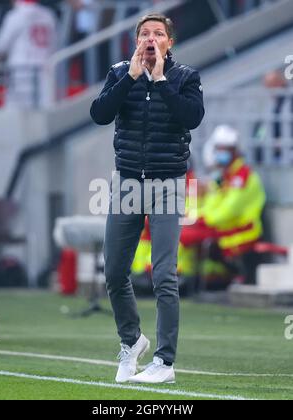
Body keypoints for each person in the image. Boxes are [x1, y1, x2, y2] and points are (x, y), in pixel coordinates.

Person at [90, 13, 204, 384]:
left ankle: (165, 363)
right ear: (135, 41)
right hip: (126, 183)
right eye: (144, 33)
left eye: (157, 33)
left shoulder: (185, 77)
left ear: (169, 42)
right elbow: (100, 113)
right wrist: (133, 78)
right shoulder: (121, 72)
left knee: (164, 275)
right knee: (114, 272)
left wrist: (160, 80)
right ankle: (131, 342)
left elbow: (191, 118)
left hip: (167, 183)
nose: (150, 38)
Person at [182, 125, 266, 286]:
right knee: (183, 232)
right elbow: (213, 203)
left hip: (241, 232)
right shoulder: (224, 176)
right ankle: (193, 277)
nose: (221, 153)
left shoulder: (242, 177)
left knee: (184, 234)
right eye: (219, 149)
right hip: (224, 228)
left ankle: (192, 278)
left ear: (235, 151)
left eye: (225, 149)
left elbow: (228, 210)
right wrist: (196, 216)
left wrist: (202, 218)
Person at [0, 0, 57, 108]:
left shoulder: (15, 16)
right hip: (45, 73)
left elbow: (1, 48)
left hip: (21, 74)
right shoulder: (49, 15)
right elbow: (55, 46)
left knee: (16, 116)